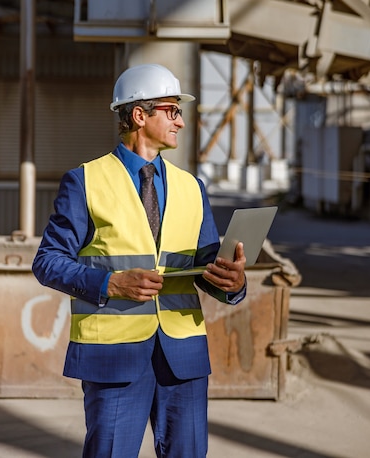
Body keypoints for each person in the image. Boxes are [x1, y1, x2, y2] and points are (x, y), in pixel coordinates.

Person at [32, 63, 246, 458]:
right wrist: (110, 283)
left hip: (182, 356)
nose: (181, 121)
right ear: (138, 115)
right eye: (172, 110)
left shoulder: (191, 187)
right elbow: (47, 261)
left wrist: (231, 283)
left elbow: (204, 263)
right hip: (114, 356)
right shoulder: (85, 181)